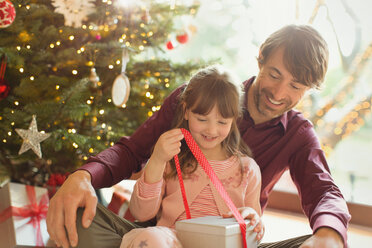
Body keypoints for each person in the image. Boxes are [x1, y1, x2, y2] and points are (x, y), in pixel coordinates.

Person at [46, 24, 351, 248]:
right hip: (163, 238)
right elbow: (131, 151)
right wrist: (83, 176)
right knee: (78, 218)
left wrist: (329, 236)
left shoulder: (298, 134)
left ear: (309, 89)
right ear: (260, 58)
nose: (280, 93)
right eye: (274, 75)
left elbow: (324, 192)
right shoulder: (196, 98)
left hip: (230, 243)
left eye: (296, 86)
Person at [119, 65, 263, 247]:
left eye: (222, 122)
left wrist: (253, 218)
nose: (211, 130)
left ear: (234, 118)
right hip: (172, 240)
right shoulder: (172, 158)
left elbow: (254, 230)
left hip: (219, 243)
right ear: (186, 110)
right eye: (202, 119)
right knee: (150, 238)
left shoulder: (248, 169)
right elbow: (141, 213)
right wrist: (157, 160)